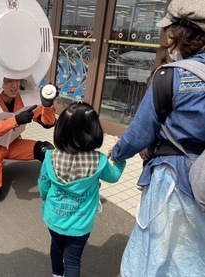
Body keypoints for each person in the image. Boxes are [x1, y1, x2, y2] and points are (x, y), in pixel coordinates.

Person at [110, 0, 205, 276]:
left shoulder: (172, 77)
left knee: (158, 254)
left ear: (181, 33)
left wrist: (117, 153)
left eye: (170, 30)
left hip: (174, 183)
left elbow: (140, 133)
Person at [38, 101, 126, 277]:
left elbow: (43, 184)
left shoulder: (50, 156)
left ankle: (56, 274)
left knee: (56, 246)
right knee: (72, 260)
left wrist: (46, 198)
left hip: (54, 216)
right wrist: (120, 157)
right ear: (94, 132)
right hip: (81, 223)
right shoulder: (98, 161)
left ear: (61, 130)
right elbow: (114, 176)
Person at [0, 78, 57, 202]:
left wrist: (48, 106)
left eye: (17, 80)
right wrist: (15, 120)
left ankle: (56, 183)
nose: (14, 85)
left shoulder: (25, 98)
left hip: (14, 143)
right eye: (8, 81)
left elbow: (48, 123)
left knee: (47, 151)